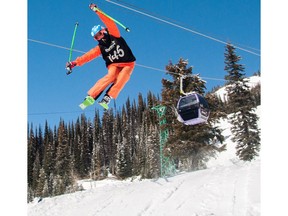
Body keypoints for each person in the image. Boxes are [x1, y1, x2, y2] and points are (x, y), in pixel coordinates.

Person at [66, 3, 136, 110]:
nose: (99, 38)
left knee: (123, 76)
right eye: (96, 37)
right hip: (114, 65)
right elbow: (88, 55)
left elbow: (109, 22)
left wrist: (97, 10)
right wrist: (75, 63)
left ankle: (108, 96)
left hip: (128, 63)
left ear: (103, 31)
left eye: (99, 34)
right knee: (111, 76)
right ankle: (91, 96)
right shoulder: (101, 47)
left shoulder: (114, 35)